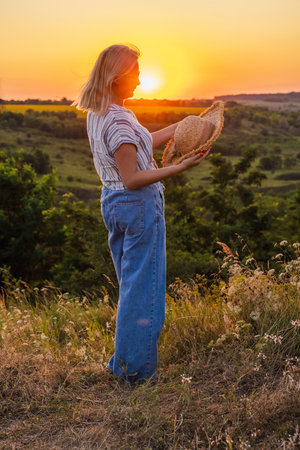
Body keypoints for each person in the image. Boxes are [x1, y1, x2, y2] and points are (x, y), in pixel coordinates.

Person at [73, 43, 211, 385]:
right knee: (143, 290)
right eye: (134, 72)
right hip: (137, 205)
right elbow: (133, 178)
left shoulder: (104, 111)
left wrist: (180, 128)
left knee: (133, 287)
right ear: (116, 77)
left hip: (115, 203)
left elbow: (140, 144)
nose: (139, 78)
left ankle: (123, 365)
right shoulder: (118, 119)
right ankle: (135, 374)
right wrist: (180, 167)